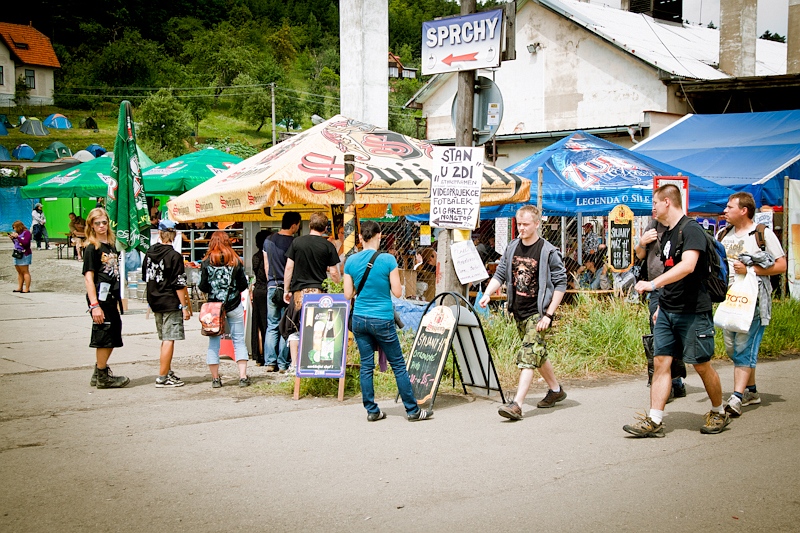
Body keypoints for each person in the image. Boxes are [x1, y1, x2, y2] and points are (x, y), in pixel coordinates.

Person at [627, 184, 729, 437]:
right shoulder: (667, 234)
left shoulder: (691, 230)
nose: (652, 209)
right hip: (668, 309)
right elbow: (670, 275)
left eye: (654, 203)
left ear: (667, 202)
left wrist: (652, 285)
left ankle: (718, 411)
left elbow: (687, 267)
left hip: (693, 311)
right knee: (661, 363)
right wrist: (661, 305)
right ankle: (654, 419)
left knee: (702, 365)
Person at [479, 205, 568, 420]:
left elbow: (561, 284)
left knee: (528, 356)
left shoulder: (548, 251)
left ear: (537, 224)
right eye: (519, 224)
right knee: (537, 352)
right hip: (519, 311)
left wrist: (548, 315)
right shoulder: (512, 247)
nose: (522, 228)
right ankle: (556, 391)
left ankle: (517, 405)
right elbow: (500, 273)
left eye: (526, 224)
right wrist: (488, 293)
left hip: (538, 313)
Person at [344, 221, 433, 422]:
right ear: (380, 236)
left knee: (366, 366)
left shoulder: (350, 262)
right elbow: (398, 292)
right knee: (398, 365)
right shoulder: (388, 260)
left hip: (359, 319)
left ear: (360, 238)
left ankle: (372, 410)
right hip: (382, 318)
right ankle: (412, 410)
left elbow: (348, 293)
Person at [718, 192, 786, 417]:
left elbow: (781, 265)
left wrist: (751, 269)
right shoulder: (723, 233)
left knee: (744, 346)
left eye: (729, 207)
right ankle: (752, 391)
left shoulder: (762, 234)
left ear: (743, 210)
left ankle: (736, 397)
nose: (725, 211)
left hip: (753, 299)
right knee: (731, 346)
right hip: (729, 298)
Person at [635, 215, 687, 398]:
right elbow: (639, 254)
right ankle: (670, 383)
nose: (653, 208)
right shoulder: (652, 226)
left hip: (676, 287)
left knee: (674, 334)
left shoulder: (681, 227)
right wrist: (642, 242)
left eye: (656, 203)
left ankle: (674, 381)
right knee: (659, 333)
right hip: (654, 288)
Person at [282, 211, 340, 372]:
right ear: (325, 228)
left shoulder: (297, 242)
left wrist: (287, 289)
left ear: (309, 225)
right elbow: (334, 272)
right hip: (319, 293)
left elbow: (289, 267)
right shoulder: (328, 245)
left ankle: (294, 365)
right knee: (318, 327)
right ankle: (315, 363)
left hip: (299, 293)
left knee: (294, 327)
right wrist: (338, 289)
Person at [84, 207, 129, 389]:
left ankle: (98, 372)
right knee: (105, 336)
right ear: (92, 226)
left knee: (113, 333)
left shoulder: (110, 244)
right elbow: (88, 278)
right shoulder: (91, 248)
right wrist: (94, 305)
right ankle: (102, 375)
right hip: (100, 299)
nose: (102, 226)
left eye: (104, 222)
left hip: (111, 297)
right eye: (97, 223)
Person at [142, 219, 192, 388]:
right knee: (169, 339)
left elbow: (145, 277)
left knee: (164, 338)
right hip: (170, 301)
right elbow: (179, 284)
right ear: (174, 234)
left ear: (159, 233)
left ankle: (167, 370)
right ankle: (162, 377)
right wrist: (185, 306)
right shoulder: (174, 256)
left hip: (154, 300)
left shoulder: (149, 253)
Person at [199, 231, 250, 388]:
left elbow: (203, 286)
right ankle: (242, 376)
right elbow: (243, 285)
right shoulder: (236, 260)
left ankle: (215, 379)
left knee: (213, 342)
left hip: (214, 309)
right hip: (234, 304)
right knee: (239, 340)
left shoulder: (207, 262)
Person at [264, 212, 301, 372]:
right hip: (289, 289)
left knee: (272, 325)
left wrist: (271, 282)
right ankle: (282, 363)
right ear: (294, 225)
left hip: (272, 286)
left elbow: (267, 266)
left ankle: (270, 362)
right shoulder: (294, 243)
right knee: (287, 326)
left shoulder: (268, 240)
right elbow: (292, 267)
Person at [250, 229, 271, 366]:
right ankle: (267, 354)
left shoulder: (255, 256)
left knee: (257, 322)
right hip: (266, 289)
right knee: (267, 324)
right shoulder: (268, 257)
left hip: (257, 289)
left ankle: (258, 354)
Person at [10, 220, 32, 293]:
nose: (14, 229)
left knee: (25, 271)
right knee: (19, 272)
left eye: (15, 227)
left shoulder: (27, 233)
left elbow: (25, 243)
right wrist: (13, 239)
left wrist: (18, 237)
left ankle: (27, 288)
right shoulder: (18, 234)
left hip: (24, 253)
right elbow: (17, 243)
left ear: (18, 227)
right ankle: (19, 287)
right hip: (17, 253)